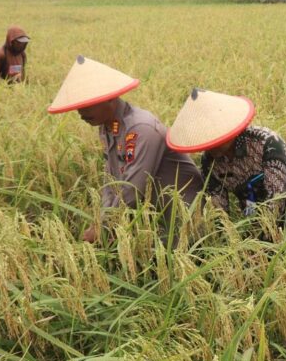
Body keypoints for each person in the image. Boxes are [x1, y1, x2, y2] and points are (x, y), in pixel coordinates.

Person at [48, 56, 203, 242]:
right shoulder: (107, 128)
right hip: (152, 219)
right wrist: (103, 221)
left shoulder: (142, 129)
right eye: (78, 106)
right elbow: (111, 181)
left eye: (86, 105)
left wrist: (104, 227)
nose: (81, 113)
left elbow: (133, 188)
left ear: (110, 98)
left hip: (183, 219)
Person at [166, 88, 286, 219]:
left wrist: (263, 233)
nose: (212, 146)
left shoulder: (267, 143)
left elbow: (276, 200)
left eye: (216, 137)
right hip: (253, 219)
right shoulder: (209, 162)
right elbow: (219, 211)